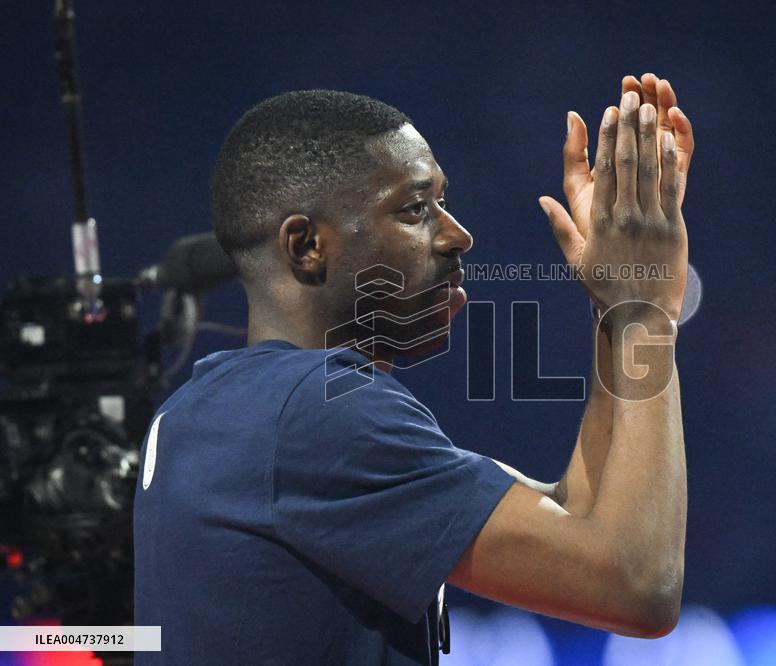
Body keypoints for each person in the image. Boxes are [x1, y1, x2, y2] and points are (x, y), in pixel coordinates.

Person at [132, 72, 695, 665]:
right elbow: (636, 587)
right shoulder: (321, 412)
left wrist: (614, 308)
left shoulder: (206, 407)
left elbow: (577, 519)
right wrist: (647, 313)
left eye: (443, 204)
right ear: (305, 246)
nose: (457, 235)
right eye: (414, 209)